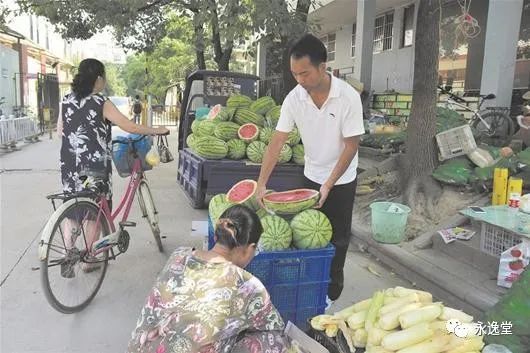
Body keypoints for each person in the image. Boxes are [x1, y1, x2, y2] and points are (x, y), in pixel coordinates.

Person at [256, 34, 365, 306]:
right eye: (295, 74)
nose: (299, 80)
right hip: (310, 175)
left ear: (322, 67)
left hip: (341, 179)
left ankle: (331, 295)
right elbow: (277, 142)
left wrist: (329, 184)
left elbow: (351, 146)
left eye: (304, 73)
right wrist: (260, 183)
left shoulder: (348, 97)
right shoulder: (295, 98)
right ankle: (307, 286)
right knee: (305, 236)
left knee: (337, 240)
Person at [127, 205, 295, 353]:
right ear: (250, 249)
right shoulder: (247, 285)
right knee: (274, 341)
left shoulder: (179, 255)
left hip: (139, 347)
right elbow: (275, 329)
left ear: (216, 237)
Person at [56, 59, 168, 275]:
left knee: (73, 209)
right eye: (104, 77)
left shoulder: (66, 100)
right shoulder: (100, 102)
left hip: (70, 165)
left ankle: (67, 255)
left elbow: (60, 129)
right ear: (98, 79)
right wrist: (156, 130)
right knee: (95, 212)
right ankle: (89, 260)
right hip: (94, 166)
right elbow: (128, 125)